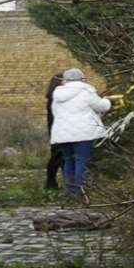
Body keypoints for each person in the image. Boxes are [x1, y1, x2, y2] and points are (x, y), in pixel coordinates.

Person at [50, 68, 111, 197]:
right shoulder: (86, 90)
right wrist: (107, 100)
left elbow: (55, 112)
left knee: (68, 160)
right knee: (81, 160)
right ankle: (81, 191)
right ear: (82, 78)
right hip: (83, 132)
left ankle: (71, 192)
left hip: (63, 133)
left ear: (65, 80)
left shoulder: (57, 94)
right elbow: (102, 106)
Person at [43, 71, 66, 191]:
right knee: (57, 156)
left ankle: (54, 182)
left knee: (60, 157)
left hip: (57, 129)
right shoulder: (55, 97)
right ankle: (50, 181)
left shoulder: (54, 96)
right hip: (57, 130)